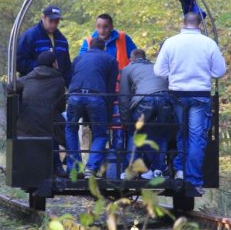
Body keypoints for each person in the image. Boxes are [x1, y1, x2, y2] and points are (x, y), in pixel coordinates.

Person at [154, 12, 226, 196]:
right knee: (196, 137)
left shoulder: (171, 42)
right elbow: (219, 71)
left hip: (177, 94)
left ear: (184, 23)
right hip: (200, 95)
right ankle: (193, 180)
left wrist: (176, 73)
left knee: (181, 133)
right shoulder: (209, 43)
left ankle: (179, 171)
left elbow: (159, 71)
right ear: (200, 24)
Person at [78, 14, 138, 173]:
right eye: (99, 26)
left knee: (119, 129)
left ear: (111, 27)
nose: (102, 30)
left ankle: (116, 167)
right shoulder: (89, 41)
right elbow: (83, 62)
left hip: (120, 90)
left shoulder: (123, 38)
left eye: (105, 26)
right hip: (97, 92)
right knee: (98, 129)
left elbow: (134, 57)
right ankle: (98, 166)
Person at [65, 37, 119, 177]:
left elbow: (72, 78)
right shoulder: (110, 60)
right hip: (96, 97)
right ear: (104, 48)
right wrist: (107, 115)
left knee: (70, 128)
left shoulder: (78, 58)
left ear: (89, 46)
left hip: (74, 96)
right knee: (100, 134)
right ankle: (91, 168)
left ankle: (74, 169)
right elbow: (110, 89)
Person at [10, 50, 67, 172]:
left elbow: (10, 87)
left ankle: (55, 165)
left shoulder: (28, 78)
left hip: (25, 124)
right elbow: (61, 106)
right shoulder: (59, 81)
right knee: (63, 127)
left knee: (53, 126)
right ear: (53, 64)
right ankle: (62, 165)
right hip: (47, 124)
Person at [119, 49, 171, 179]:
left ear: (131, 59)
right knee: (161, 134)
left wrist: (125, 120)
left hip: (145, 100)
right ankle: (158, 169)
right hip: (165, 99)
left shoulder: (127, 69)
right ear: (145, 57)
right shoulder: (154, 66)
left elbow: (124, 96)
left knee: (134, 132)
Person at [17, 5, 72, 85]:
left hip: (56, 88)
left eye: (56, 22)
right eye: (51, 21)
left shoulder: (62, 40)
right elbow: (19, 62)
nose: (53, 25)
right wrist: (41, 67)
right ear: (43, 18)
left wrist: (70, 86)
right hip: (33, 86)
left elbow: (67, 66)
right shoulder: (30, 36)